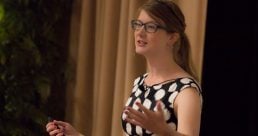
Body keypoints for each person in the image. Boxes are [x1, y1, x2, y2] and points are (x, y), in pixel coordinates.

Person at [46, 0, 203, 135]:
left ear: (172, 37)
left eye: (150, 27)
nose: (140, 32)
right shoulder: (141, 82)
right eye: (138, 25)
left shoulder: (186, 91)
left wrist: (165, 131)